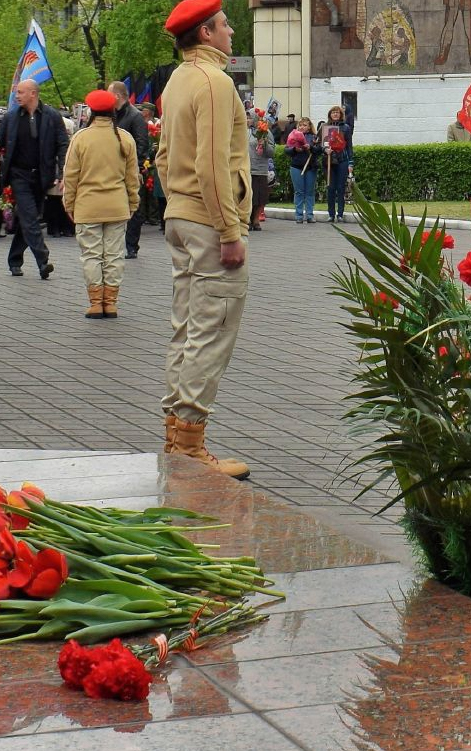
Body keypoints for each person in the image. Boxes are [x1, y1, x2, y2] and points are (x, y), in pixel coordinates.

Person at [155, 0, 251, 480]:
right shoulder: (215, 82)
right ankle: (190, 444)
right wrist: (228, 230)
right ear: (207, 34)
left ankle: (177, 435)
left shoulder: (178, 80)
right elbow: (215, 165)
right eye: (225, 24)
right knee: (211, 331)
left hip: (181, 214)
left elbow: (162, 155)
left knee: (187, 329)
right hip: (209, 221)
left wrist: (176, 203)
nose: (231, 30)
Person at [62, 89, 140, 320]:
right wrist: (133, 203)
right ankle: (111, 302)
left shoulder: (80, 138)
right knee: (114, 255)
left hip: (87, 206)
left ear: (91, 111)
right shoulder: (124, 138)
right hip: (117, 205)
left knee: (92, 255)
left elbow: (71, 176)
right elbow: (132, 177)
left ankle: (96, 303)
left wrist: (69, 204)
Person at [0, 79, 69, 279]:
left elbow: (63, 145)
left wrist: (63, 173)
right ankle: (43, 260)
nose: (17, 96)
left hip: (42, 175)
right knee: (29, 216)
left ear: (33, 94)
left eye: (20, 92)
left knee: (27, 219)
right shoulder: (11, 117)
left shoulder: (52, 116)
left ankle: (14, 260)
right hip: (18, 175)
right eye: (16, 92)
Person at [106, 82, 151, 259]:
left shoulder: (135, 116)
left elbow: (142, 143)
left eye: (109, 93)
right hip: (112, 167)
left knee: (134, 207)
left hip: (130, 168)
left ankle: (132, 245)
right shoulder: (110, 115)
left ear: (117, 96)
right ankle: (115, 242)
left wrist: (136, 166)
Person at [320, 105, 352, 222]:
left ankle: (340, 214)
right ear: (330, 114)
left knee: (340, 188)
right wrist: (325, 150)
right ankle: (331, 214)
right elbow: (320, 144)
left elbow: (349, 146)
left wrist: (350, 162)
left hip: (342, 160)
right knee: (330, 188)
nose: (335, 114)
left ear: (340, 114)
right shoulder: (324, 127)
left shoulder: (346, 128)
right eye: (333, 112)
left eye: (337, 112)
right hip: (329, 161)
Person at [285, 118, 321, 223]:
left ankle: (310, 215)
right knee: (299, 191)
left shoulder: (314, 137)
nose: (302, 127)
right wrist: (294, 149)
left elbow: (319, 150)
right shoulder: (293, 136)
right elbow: (287, 150)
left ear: (309, 127)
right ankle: (299, 215)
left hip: (310, 166)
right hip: (296, 166)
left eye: (305, 125)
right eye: (300, 125)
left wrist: (310, 147)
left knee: (309, 192)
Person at [247, 109, 274, 230]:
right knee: (248, 196)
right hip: (245, 168)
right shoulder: (243, 131)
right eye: (246, 117)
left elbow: (271, 152)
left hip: (259, 168)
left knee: (259, 196)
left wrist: (264, 144)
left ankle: (256, 220)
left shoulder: (265, 131)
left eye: (250, 117)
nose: (247, 120)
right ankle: (247, 219)